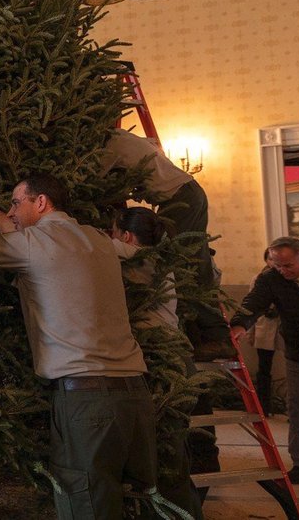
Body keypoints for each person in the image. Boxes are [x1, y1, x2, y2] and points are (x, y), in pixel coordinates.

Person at [0, 174, 157, 519]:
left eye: (16, 203)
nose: (11, 212)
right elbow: (20, 235)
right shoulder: (98, 240)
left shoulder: (31, 244)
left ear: (40, 202)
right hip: (134, 395)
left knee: (84, 503)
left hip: (86, 402)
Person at [100, 129, 231, 360]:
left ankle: (216, 336)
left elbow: (97, 182)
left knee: (178, 266)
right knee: (191, 260)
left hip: (179, 200)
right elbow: (149, 144)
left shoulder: (111, 145)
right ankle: (207, 336)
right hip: (190, 193)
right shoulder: (127, 138)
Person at [110, 207, 204, 520]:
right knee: (171, 452)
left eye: (113, 232)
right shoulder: (157, 259)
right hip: (177, 359)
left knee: (167, 457)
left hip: (166, 362)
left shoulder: (140, 259)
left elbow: (94, 246)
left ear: (125, 236)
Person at [230, 236, 299, 485]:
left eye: (288, 265)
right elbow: (252, 303)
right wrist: (239, 325)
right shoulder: (270, 278)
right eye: (277, 265)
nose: (282, 271)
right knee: (298, 408)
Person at [248, 249, 281, 417]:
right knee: (264, 369)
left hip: (283, 329)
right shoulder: (258, 278)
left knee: (293, 371)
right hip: (264, 327)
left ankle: (290, 408)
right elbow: (250, 307)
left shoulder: (289, 278)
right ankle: (263, 407)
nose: (273, 262)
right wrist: (250, 332)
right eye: (270, 259)